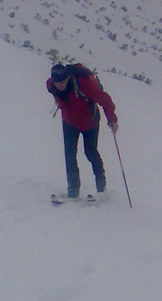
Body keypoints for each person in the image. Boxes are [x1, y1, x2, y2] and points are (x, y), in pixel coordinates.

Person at [46, 62, 118, 199]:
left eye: (63, 81)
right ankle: (73, 189)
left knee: (90, 152)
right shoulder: (50, 85)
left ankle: (101, 185)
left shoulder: (84, 84)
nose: (60, 85)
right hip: (69, 122)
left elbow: (105, 100)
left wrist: (112, 120)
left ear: (68, 78)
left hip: (90, 122)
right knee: (70, 154)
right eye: (57, 82)